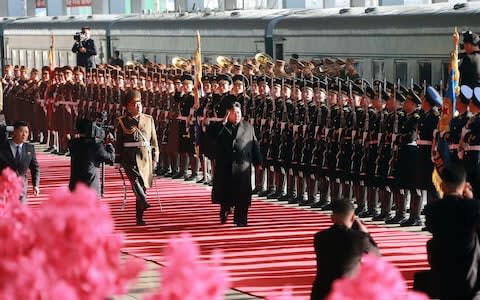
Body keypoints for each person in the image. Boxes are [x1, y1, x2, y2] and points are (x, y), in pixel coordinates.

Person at [414, 163, 480, 299]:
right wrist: (471, 199)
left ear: (442, 185)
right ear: (465, 186)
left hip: (442, 273)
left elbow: (433, 225)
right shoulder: (473, 207)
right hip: (468, 275)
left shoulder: (432, 210)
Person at [311, 199, 379, 300]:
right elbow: (376, 256)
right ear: (353, 218)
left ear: (332, 218)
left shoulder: (320, 237)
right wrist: (366, 234)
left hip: (321, 292)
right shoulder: (359, 238)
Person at [211, 101, 261, 227]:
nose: (237, 115)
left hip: (242, 166)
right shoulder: (221, 126)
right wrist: (223, 123)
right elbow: (212, 138)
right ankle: (225, 210)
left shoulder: (248, 127)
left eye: (238, 113)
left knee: (242, 194)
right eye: (234, 113)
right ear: (228, 114)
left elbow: (254, 144)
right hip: (226, 165)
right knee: (226, 193)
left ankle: (241, 219)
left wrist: (258, 162)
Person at [115, 89, 159, 225]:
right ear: (128, 107)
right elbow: (118, 142)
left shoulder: (148, 119)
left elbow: (154, 141)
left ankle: (139, 216)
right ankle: (144, 201)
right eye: (134, 104)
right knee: (134, 181)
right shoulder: (122, 121)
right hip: (129, 156)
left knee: (142, 184)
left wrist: (155, 157)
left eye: (139, 103)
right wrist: (117, 159)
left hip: (145, 156)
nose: (138, 106)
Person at [68, 118, 115, 196]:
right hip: (90, 188)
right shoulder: (95, 146)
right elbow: (110, 158)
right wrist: (109, 144)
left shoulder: (72, 144)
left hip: (74, 187)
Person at [0, 121, 40, 203]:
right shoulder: (3, 147)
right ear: (14, 132)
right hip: (4, 187)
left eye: (26, 132)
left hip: (21, 187)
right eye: (21, 131)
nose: (24, 134)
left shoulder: (30, 148)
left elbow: (35, 168)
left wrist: (35, 185)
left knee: (19, 212)